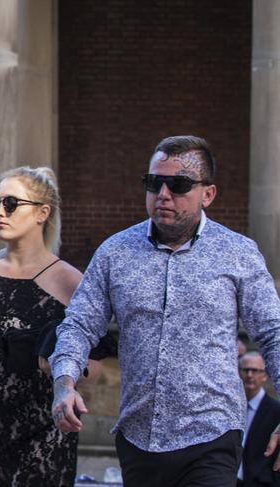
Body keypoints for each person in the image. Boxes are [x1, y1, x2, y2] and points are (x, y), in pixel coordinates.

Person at [49, 135, 280, 487]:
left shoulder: (238, 252)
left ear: (208, 194)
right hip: (138, 436)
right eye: (154, 182)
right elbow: (79, 324)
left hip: (212, 434)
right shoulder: (116, 252)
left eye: (179, 184)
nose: (163, 194)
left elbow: (272, 331)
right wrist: (64, 383)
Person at [0, 166, 112, 486]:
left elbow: (97, 366)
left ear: (42, 213)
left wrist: (57, 365)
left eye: (11, 204)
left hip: (40, 432)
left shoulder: (69, 281)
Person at [238, 352, 280, 487]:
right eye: (246, 370)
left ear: (265, 375)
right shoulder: (229, 409)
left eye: (255, 370)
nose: (250, 375)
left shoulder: (276, 411)